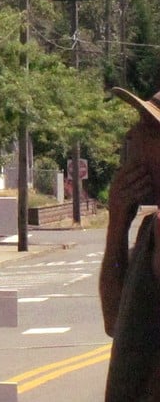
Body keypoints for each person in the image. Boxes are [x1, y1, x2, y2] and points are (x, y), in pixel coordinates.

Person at [99, 86, 160, 401]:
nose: (131, 135)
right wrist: (118, 224)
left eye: (149, 128)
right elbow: (115, 321)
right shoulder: (150, 229)